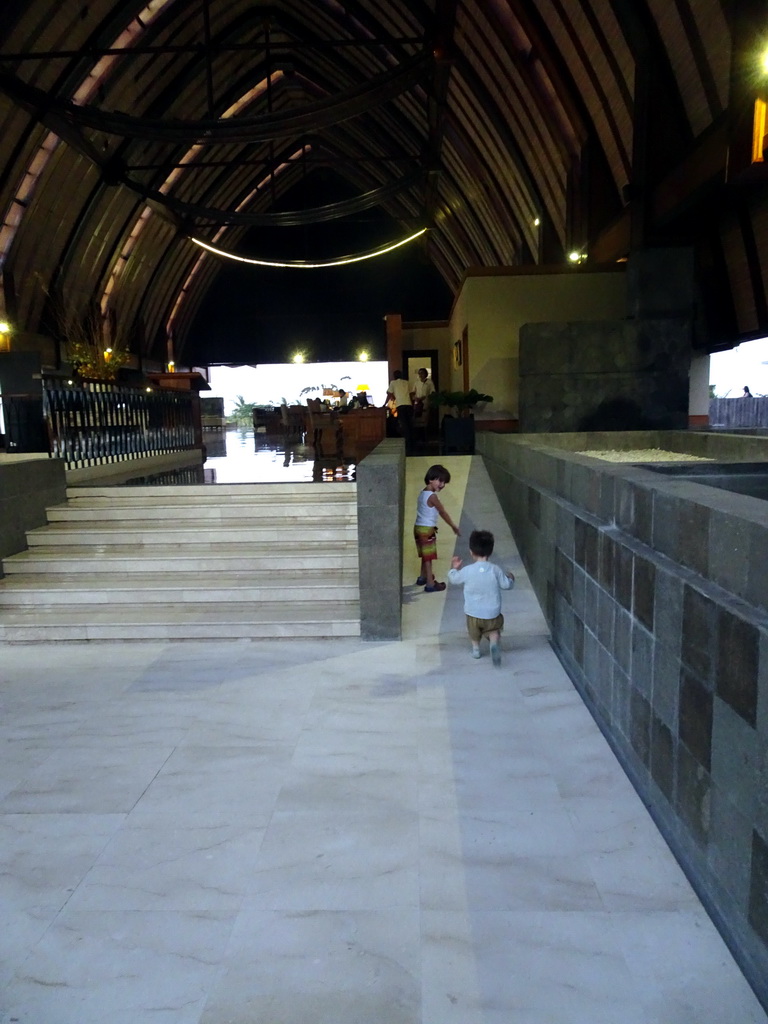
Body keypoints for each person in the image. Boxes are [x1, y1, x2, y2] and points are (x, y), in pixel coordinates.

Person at [448, 529, 515, 666]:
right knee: (494, 631)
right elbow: (506, 585)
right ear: (490, 551)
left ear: (471, 552)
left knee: (474, 633)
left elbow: (454, 579)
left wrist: (454, 568)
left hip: (473, 613)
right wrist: (511, 579)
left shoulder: (467, 571)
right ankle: (494, 642)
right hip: (492, 613)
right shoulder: (495, 569)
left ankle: (476, 649)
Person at [414, 464, 460, 592]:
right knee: (428, 558)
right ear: (431, 479)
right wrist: (453, 526)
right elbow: (442, 512)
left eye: (444, 482)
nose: (442, 485)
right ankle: (430, 583)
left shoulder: (423, 492)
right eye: (440, 481)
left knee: (425, 555)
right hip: (427, 530)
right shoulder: (432, 497)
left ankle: (422, 577)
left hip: (418, 527)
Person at [386, 369, 413, 448]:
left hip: (400, 405)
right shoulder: (407, 382)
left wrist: (385, 403)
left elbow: (389, 394)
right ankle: (412, 442)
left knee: (404, 423)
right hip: (408, 404)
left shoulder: (393, 383)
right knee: (409, 423)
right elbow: (411, 394)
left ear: (394, 376)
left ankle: (407, 442)